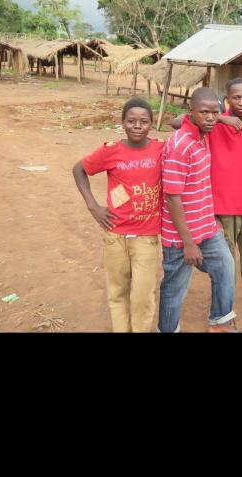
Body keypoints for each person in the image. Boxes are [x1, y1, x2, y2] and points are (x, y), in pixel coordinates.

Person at [179, 77, 242, 316]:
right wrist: (221, 118)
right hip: (220, 209)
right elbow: (177, 121)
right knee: (224, 265)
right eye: (236, 97)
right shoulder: (211, 124)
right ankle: (224, 313)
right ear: (228, 99)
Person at [72, 97, 163, 332]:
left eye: (144, 121)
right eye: (131, 121)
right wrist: (93, 206)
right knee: (117, 293)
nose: (137, 126)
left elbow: (186, 123)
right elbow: (79, 169)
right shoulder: (111, 151)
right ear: (123, 123)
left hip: (146, 237)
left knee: (143, 296)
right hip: (115, 235)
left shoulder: (161, 149)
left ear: (151, 124)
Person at [158, 87, 238, 333]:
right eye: (204, 112)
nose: (211, 118)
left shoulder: (203, 136)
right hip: (181, 237)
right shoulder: (179, 145)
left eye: (215, 112)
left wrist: (211, 220)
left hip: (205, 227)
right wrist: (188, 243)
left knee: (225, 266)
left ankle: (220, 323)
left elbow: (199, 186)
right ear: (190, 112)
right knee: (175, 288)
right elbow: (173, 197)